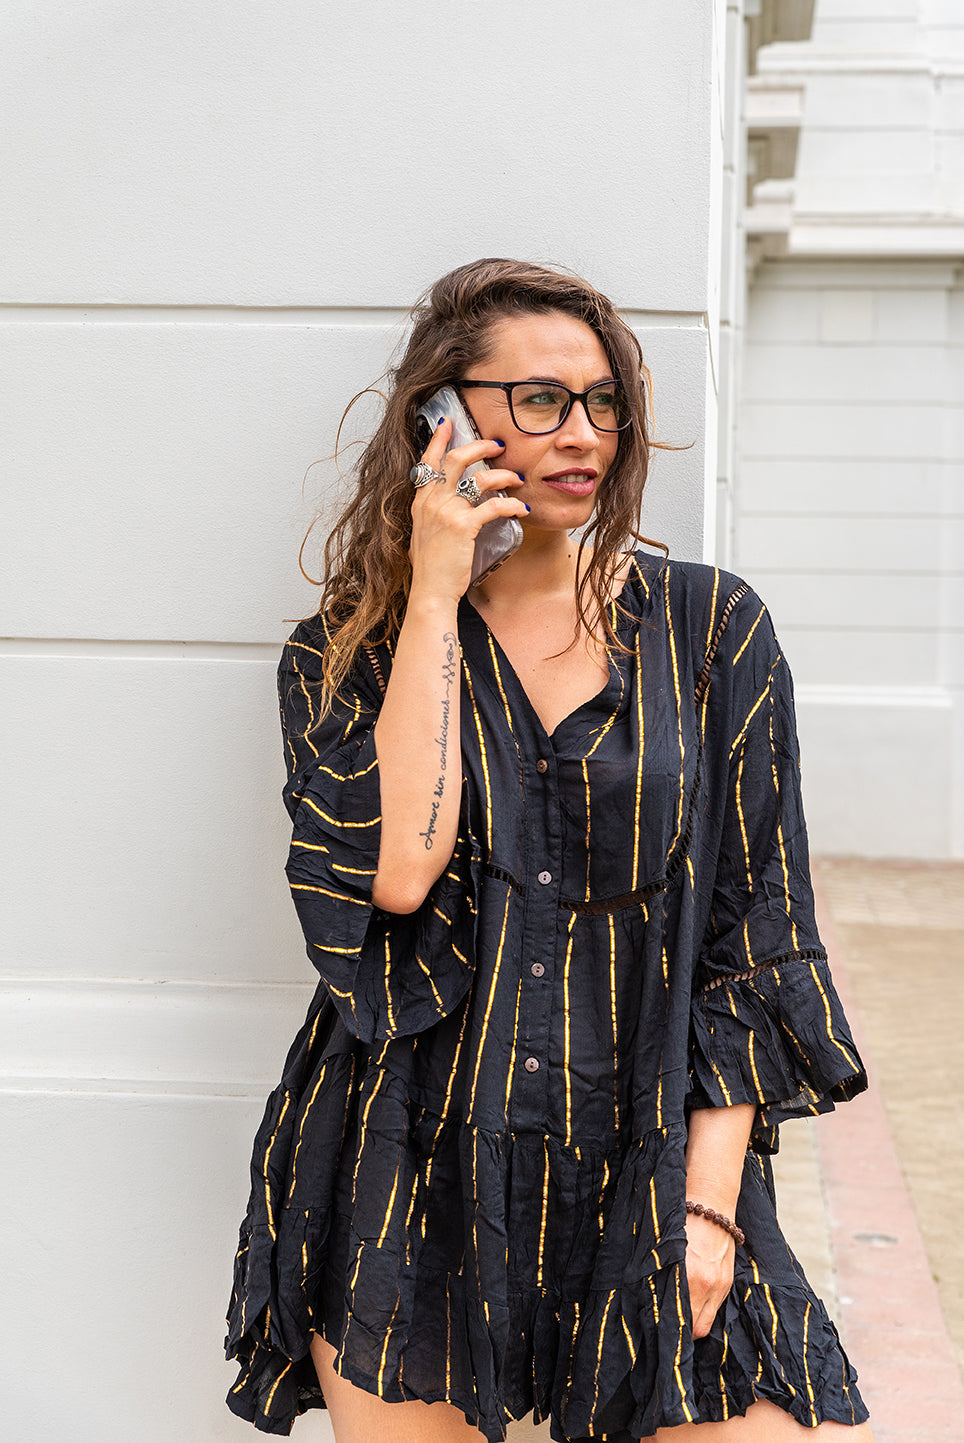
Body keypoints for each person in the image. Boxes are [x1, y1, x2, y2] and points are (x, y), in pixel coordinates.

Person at [224, 258, 875, 1442]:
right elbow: (399, 873)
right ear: (442, 419)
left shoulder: (710, 628)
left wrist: (711, 1213)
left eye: (604, 400)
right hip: (410, 1163)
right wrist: (430, 593)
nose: (584, 433)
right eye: (539, 401)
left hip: (646, 1153)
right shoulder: (347, 658)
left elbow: (753, 929)